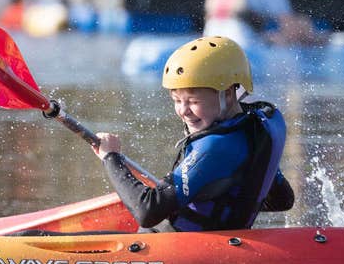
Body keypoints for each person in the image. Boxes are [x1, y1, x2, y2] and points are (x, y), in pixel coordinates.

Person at [92, 36, 294, 232]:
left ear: (229, 94)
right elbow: (282, 199)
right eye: (177, 100)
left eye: (193, 101)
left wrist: (111, 157)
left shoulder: (215, 147)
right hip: (219, 246)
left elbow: (147, 212)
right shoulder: (256, 129)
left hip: (172, 249)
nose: (183, 111)